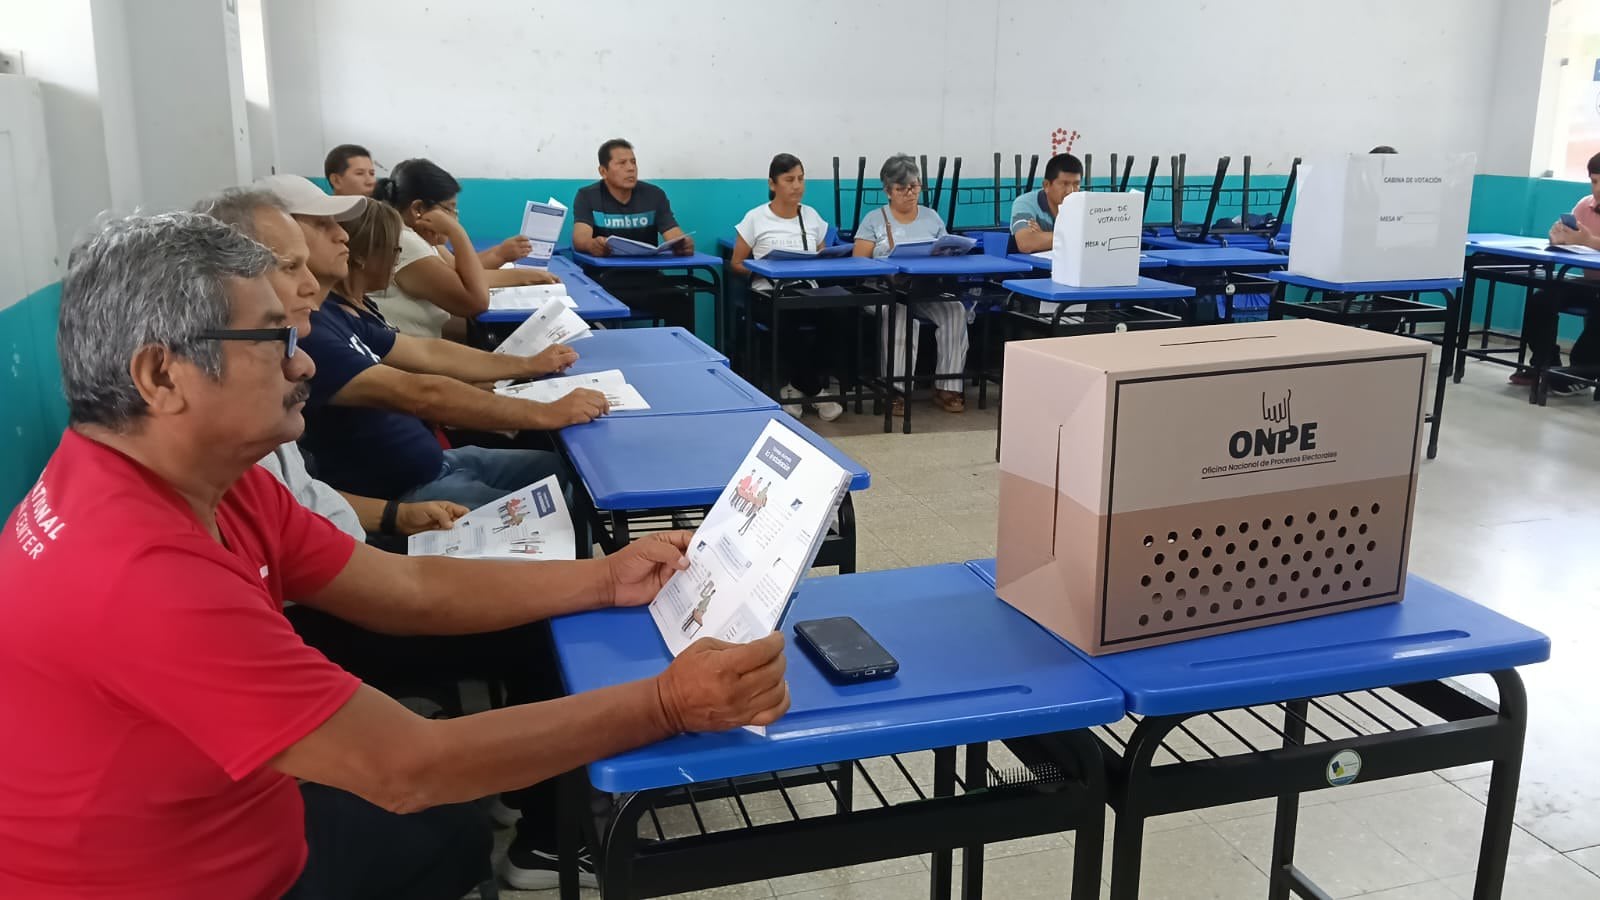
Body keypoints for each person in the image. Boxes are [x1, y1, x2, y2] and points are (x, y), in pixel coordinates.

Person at [0, 211, 791, 899]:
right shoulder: (139, 574)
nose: (304, 361)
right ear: (160, 375)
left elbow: (404, 584)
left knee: (447, 831)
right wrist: (667, 705)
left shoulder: (199, 477)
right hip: (169, 881)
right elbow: (409, 767)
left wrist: (602, 578)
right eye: (275, 342)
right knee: (438, 818)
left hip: (230, 822)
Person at [255, 176, 605, 507]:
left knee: (568, 475)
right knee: (565, 504)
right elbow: (420, 392)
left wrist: (527, 364)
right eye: (323, 225)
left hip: (437, 461)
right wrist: (546, 413)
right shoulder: (306, 331)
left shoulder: (333, 311)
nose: (342, 235)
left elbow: (426, 350)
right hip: (408, 489)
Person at [193, 185, 468, 541]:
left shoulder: (324, 324)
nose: (343, 237)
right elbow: (424, 386)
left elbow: (304, 499)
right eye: (291, 265)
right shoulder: (234, 422)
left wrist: (395, 517)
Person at [372, 158, 558, 339]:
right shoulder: (406, 242)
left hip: (424, 342)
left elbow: (463, 274)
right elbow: (476, 301)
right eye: (450, 209)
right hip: (412, 354)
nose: (455, 216)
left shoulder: (416, 236)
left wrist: (528, 277)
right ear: (418, 209)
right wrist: (457, 232)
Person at [729, 153, 845, 421]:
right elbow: (736, 263)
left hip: (808, 291)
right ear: (773, 184)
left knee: (837, 315)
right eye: (789, 179)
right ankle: (816, 390)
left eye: (801, 179)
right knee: (788, 316)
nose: (797, 186)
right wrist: (764, 268)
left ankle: (795, 387)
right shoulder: (756, 218)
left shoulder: (811, 215)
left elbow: (821, 255)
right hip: (768, 294)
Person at [853, 154, 971, 415]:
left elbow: (948, 248)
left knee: (955, 311)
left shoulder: (931, 217)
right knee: (901, 317)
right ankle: (895, 391)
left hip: (927, 290)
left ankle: (948, 387)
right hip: (888, 293)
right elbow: (858, 262)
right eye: (901, 188)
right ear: (887, 190)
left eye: (914, 187)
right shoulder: (874, 219)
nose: (909, 193)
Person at [572, 138, 699, 330]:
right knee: (588, 308)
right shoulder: (588, 196)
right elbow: (580, 239)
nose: (631, 168)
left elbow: (673, 234)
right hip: (604, 281)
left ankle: (686, 358)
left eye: (633, 162)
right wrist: (592, 245)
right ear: (603, 171)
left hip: (648, 280)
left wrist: (683, 244)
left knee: (682, 303)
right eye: (622, 163)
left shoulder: (654, 195)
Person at [1514, 151, 1600, 397]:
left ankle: (1581, 371)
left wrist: (1589, 240)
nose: (1597, 189)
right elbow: (1572, 239)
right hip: (1588, 283)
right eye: (1594, 181)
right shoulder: (1585, 206)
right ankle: (1545, 363)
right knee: (1541, 298)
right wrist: (1560, 239)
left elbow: (1588, 241)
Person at [1010, 152, 1084, 253]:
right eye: (1064, 184)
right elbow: (1026, 243)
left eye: (1076, 184)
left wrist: (1044, 237)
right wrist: (1076, 236)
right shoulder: (1025, 203)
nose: (1070, 191)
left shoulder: (1084, 205)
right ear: (1046, 185)